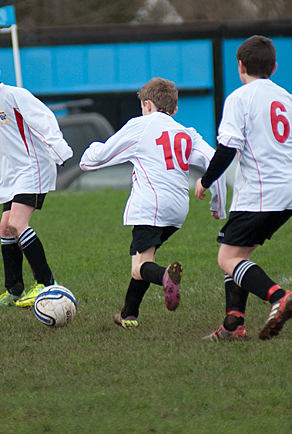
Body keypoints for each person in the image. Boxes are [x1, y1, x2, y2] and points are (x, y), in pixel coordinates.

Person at [195, 35, 292, 341]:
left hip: (261, 192)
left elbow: (228, 148)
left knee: (227, 258)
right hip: (291, 192)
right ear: (274, 67)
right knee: (238, 253)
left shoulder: (240, 98)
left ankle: (279, 297)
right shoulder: (288, 99)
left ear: (240, 66)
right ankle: (233, 325)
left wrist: (205, 180)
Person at [80, 77, 227, 329]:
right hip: (178, 209)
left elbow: (100, 156)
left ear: (147, 105)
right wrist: (217, 204)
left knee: (140, 267)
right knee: (144, 260)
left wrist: (88, 155)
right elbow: (215, 161)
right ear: (174, 109)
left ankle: (164, 276)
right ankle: (128, 314)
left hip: (150, 205)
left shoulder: (141, 125)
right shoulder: (187, 133)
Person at [0, 49, 72, 308]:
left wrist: (60, 151)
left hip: (32, 168)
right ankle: (14, 290)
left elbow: (44, 120)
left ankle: (47, 284)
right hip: (10, 176)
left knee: (16, 223)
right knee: (5, 227)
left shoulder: (14, 95)